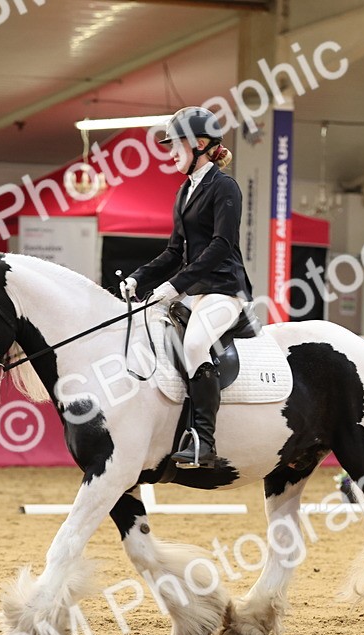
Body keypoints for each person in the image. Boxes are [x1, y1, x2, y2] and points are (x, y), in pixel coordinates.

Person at [120, 106, 253, 469]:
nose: (171, 152)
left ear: (199, 144)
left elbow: (221, 246)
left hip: (224, 291)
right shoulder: (184, 191)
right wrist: (140, 277)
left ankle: (204, 442)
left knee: (194, 343)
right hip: (193, 291)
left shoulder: (224, 187)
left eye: (175, 145)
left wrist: (174, 285)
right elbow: (174, 251)